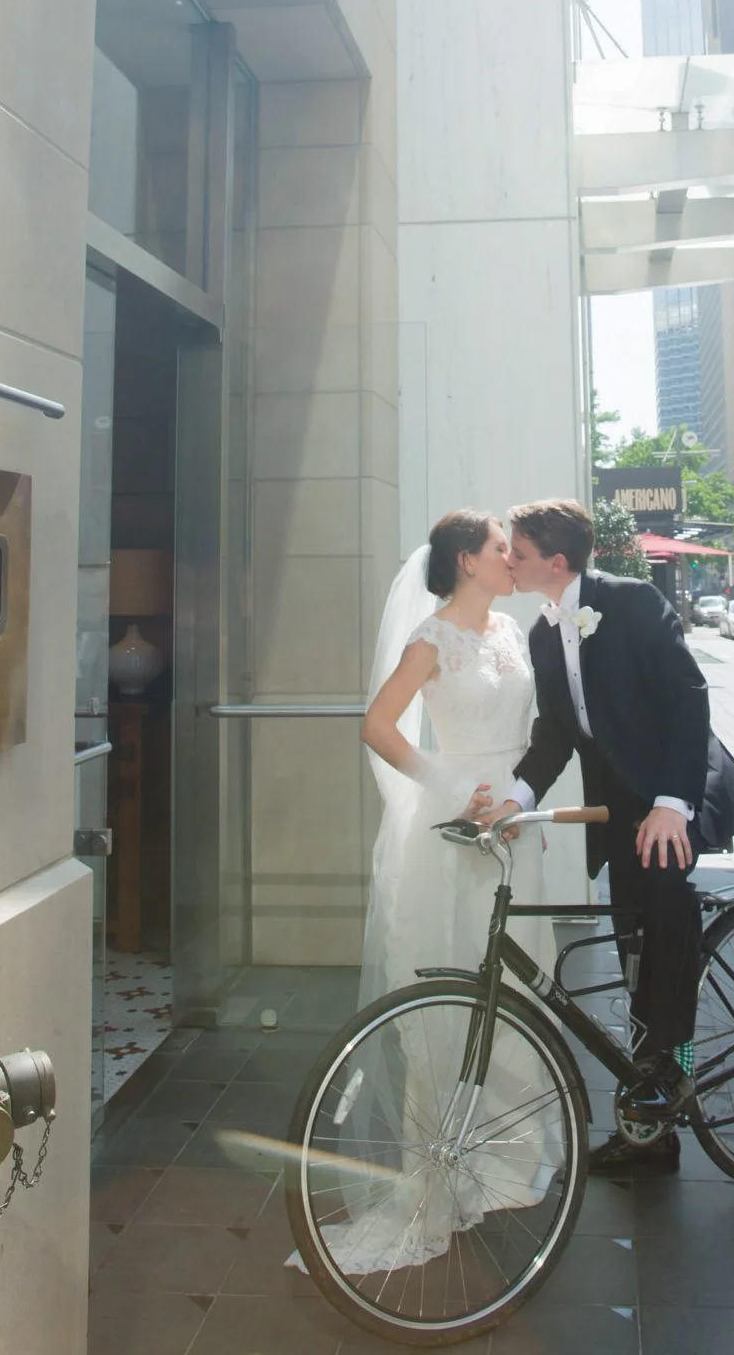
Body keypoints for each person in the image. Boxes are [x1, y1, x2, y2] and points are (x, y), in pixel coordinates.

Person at [312, 512, 554, 1277]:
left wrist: (518, 796)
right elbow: (378, 726)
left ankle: (506, 1151)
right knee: (452, 993)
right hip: (457, 833)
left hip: (518, 825)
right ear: (464, 561)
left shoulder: (512, 632)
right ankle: (438, 1165)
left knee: (517, 984)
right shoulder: (434, 638)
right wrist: (452, 788)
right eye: (497, 551)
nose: (510, 559)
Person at [491, 498, 734, 1180]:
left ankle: (670, 1077)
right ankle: (650, 1133)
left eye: (514, 551)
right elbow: (554, 735)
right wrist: (515, 801)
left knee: (664, 925)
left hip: (676, 784)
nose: (507, 562)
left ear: (556, 560)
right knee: (634, 948)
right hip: (620, 804)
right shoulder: (545, 634)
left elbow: (686, 699)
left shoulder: (628, 601)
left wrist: (672, 804)